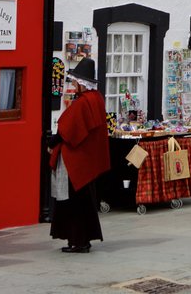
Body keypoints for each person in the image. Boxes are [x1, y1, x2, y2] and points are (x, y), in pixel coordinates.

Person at [48, 57, 110, 253]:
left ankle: (78, 240)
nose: (73, 84)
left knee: (73, 202)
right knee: (84, 201)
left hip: (76, 160)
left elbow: (67, 129)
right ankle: (81, 239)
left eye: (75, 82)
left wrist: (53, 142)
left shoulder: (84, 102)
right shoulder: (97, 99)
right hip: (86, 160)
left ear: (83, 83)